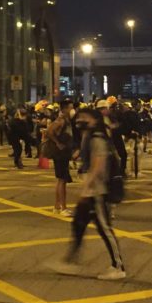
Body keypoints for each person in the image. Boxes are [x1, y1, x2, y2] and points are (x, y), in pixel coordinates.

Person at [50, 106, 126, 280]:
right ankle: (71, 262)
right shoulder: (88, 136)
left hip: (97, 191)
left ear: (95, 120)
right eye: (79, 117)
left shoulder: (97, 138)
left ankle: (118, 266)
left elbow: (98, 166)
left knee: (105, 229)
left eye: (85, 117)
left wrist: (86, 190)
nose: (80, 120)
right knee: (78, 224)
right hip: (91, 190)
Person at [46, 99, 75, 216]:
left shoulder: (66, 120)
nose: (72, 110)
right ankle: (63, 207)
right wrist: (58, 143)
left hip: (63, 153)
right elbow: (49, 131)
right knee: (62, 180)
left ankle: (57, 207)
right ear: (64, 109)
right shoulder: (61, 120)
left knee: (61, 180)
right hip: (60, 154)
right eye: (70, 108)